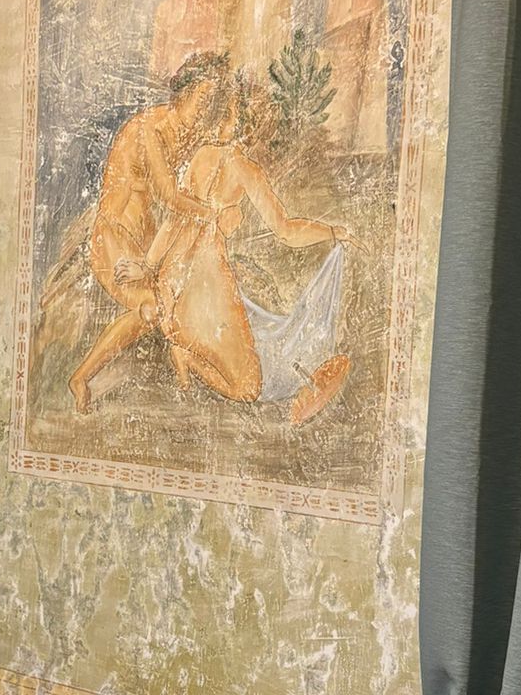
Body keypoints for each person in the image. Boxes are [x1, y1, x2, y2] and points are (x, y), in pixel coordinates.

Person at [144, 87, 353, 424]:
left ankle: (187, 352)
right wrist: (332, 231)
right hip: (208, 284)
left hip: (175, 286)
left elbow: (173, 220)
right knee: (248, 387)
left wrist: (150, 268)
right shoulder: (243, 168)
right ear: (248, 125)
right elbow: (285, 231)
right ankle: (187, 358)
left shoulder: (200, 156)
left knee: (246, 342)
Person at [68, 53, 227, 412]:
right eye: (203, 98)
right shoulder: (150, 129)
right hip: (115, 237)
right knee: (153, 308)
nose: (206, 108)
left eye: (211, 101)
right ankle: (80, 378)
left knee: (182, 296)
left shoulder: (187, 134)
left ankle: (193, 370)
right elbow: (170, 196)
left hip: (146, 242)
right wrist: (211, 213)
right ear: (184, 93)